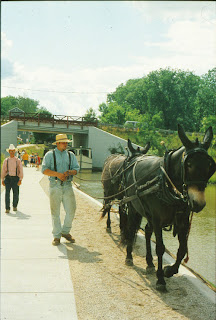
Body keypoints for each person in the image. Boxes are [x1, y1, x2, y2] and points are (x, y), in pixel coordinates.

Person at [42, 134, 80, 246]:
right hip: (55, 185)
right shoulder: (49, 155)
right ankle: (57, 236)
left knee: (72, 210)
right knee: (55, 212)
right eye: (63, 142)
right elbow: (44, 170)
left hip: (68, 185)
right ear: (57, 143)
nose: (66, 144)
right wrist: (58, 174)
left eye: (66, 142)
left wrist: (70, 172)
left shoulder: (71, 155)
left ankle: (65, 231)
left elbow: (76, 169)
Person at [1, 144, 23, 213]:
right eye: (11, 151)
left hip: (15, 178)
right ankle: (7, 208)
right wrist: (2, 179)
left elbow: (20, 170)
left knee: (16, 193)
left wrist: (20, 179)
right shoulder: (6, 160)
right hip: (8, 178)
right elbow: (3, 170)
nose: (12, 152)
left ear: (15, 151)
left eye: (13, 151)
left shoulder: (18, 160)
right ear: (9, 152)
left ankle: (15, 206)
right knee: (7, 193)